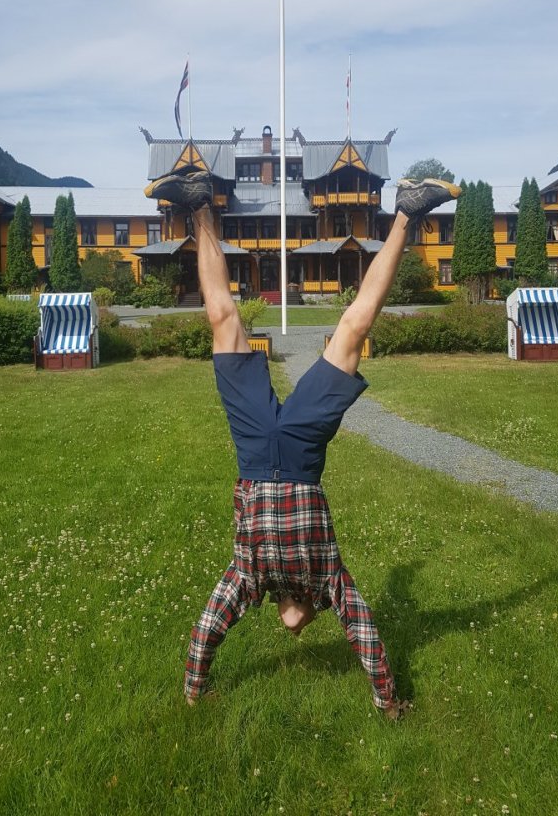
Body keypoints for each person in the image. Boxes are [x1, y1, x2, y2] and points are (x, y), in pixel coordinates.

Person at [145, 169, 460, 719]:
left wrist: (196, 687)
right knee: (345, 329)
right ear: (309, 608)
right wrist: (386, 700)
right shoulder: (316, 579)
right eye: (302, 622)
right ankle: (406, 213)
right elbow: (357, 629)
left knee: (230, 320)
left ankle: (199, 208)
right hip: (293, 449)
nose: (292, 625)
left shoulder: (254, 578)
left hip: (259, 450)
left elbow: (213, 625)